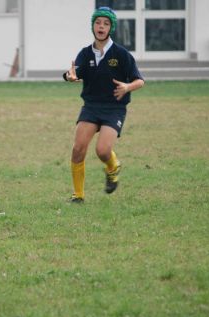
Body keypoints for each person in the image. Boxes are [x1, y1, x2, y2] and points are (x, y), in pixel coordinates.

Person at [63, 6, 145, 203]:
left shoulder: (122, 54)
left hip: (114, 109)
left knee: (102, 151)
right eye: (98, 22)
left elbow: (140, 81)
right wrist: (69, 76)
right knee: (78, 149)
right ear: (93, 26)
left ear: (111, 28)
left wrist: (127, 87)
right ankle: (78, 195)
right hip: (91, 106)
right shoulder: (85, 53)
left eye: (106, 23)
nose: (101, 26)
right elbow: (74, 73)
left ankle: (112, 167)